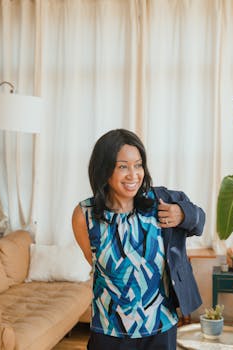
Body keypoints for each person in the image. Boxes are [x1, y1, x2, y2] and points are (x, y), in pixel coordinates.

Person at [72, 129, 205, 350]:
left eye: (138, 165)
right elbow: (95, 263)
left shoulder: (160, 201)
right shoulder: (84, 214)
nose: (133, 174)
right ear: (105, 169)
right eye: (123, 166)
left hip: (160, 326)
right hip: (109, 330)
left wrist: (182, 214)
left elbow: (200, 221)